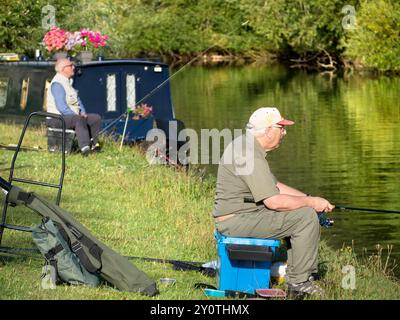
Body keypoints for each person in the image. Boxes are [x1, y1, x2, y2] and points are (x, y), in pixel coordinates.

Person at [213, 107, 334, 297]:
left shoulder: (247, 146)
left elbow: (274, 186)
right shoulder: (249, 153)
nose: (284, 132)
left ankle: (295, 274)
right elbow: (274, 201)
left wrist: (310, 199)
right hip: (236, 221)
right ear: (268, 130)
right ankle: (299, 283)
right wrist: (311, 205)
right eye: (281, 128)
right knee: (306, 217)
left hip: (243, 216)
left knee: (304, 210)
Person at [46, 58, 102, 156]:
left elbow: (77, 100)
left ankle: (94, 145)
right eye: (70, 66)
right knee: (78, 120)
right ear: (63, 69)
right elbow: (62, 108)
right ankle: (85, 149)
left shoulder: (68, 82)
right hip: (56, 118)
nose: (73, 67)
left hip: (71, 117)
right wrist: (78, 116)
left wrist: (83, 112)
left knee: (95, 118)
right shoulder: (57, 84)